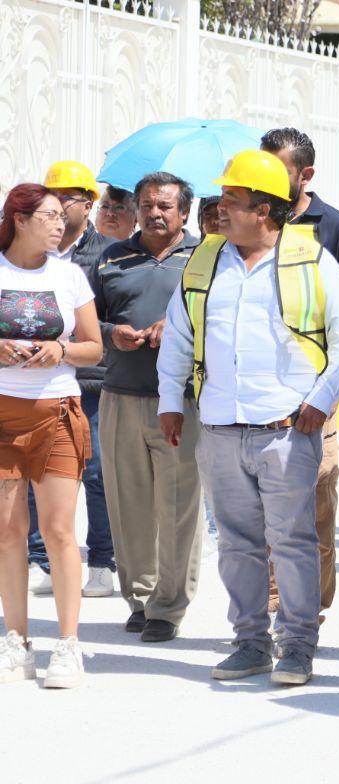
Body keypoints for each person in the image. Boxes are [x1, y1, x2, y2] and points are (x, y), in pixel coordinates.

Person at [156, 149, 339, 687]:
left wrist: (321, 397)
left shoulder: (312, 261)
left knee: (292, 542)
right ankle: (249, 643)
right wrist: (170, 402)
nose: (220, 209)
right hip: (220, 428)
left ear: (265, 210)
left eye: (232, 199)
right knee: (237, 544)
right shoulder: (205, 261)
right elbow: (178, 336)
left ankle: (297, 646)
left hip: (286, 428)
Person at [260, 127, 339, 621]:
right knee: (267, 508)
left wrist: (328, 387)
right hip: (261, 396)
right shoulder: (253, 222)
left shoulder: (337, 228)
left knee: (316, 505)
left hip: (316, 397)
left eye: (277, 167)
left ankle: (311, 601)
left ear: (305, 174)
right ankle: (276, 602)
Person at [0, 183, 104, 688]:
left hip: (57, 412)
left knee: (61, 531)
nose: (59, 224)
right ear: (19, 220)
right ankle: (16, 642)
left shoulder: (69, 275)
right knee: (8, 530)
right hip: (2, 416)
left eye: (62, 217)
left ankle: (68, 644)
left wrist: (60, 353)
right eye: (48, 216)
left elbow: (93, 348)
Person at [93, 172, 203, 642]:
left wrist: (174, 328)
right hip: (119, 394)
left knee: (179, 506)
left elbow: (219, 324)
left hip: (179, 399)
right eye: (147, 205)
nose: (155, 213)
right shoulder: (110, 258)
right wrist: (108, 333)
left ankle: (168, 607)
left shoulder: (204, 260)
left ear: (184, 212)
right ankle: (139, 597)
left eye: (166, 206)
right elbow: (86, 322)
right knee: (128, 503)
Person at [28, 161, 114, 599]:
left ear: (88, 202)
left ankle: (101, 561)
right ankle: (41, 559)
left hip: (92, 382)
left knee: (96, 472)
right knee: (34, 472)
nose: (60, 206)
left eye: (68, 198)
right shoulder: (29, 252)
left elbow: (107, 322)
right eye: (53, 197)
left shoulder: (106, 253)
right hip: (37, 381)